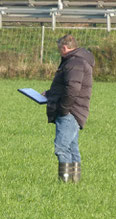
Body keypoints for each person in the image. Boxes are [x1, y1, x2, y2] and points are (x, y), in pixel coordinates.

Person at [43, 34, 95, 183]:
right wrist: (49, 93)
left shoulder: (74, 63)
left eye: (59, 49)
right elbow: (67, 85)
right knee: (72, 148)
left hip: (70, 111)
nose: (59, 52)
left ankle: (64, 183)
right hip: (76, 110)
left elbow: (72, 89)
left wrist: (64, 109)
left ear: (64, 48)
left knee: (61, 147)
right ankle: (74, 182)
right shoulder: (79, 61)